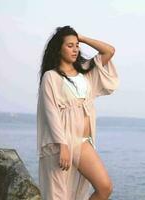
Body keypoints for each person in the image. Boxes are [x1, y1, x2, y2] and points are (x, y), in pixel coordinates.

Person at [36, 25, 119, 200]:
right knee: (59, 194)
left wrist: (79, 36)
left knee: (105, 188)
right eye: (69, 45)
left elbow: (109, 51)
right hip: (63, 142)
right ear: (58, 49)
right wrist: (62, 144)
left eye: (77, 45)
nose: (75, 49)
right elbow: (51, 112)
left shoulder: (85, 71)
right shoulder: (51, 77)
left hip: (84, 142)